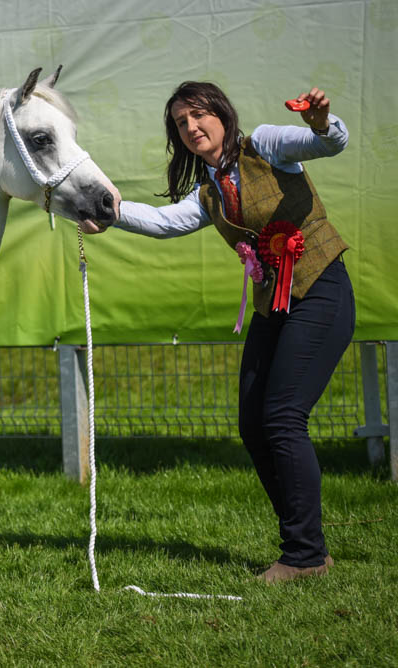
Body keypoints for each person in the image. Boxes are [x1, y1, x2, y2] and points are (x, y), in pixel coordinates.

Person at [109, 82, 353, 583]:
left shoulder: (265, 144)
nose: (192, 128)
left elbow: (327, 144)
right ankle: (310, 548)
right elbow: (160, 221)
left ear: (221, 114)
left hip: (321, 291)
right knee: (253, 423)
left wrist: (322, 123)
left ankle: (303, 555)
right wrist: (105, 211)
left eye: (198, 115)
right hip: (274, 306)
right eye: (181, 123)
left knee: (283, 418)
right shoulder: (208, 191)